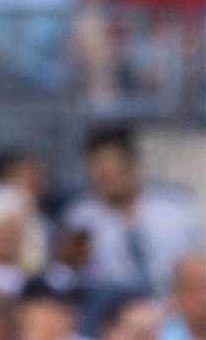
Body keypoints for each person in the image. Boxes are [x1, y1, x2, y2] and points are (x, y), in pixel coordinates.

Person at [61, 126, 200, 295]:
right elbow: (67, 275)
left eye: (112, 169)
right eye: (98, 171)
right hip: (109, 307)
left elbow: (196, 260)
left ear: (133, 166)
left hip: (172, 301)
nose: (105, 178)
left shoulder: (174, 209)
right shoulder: (81, 217)